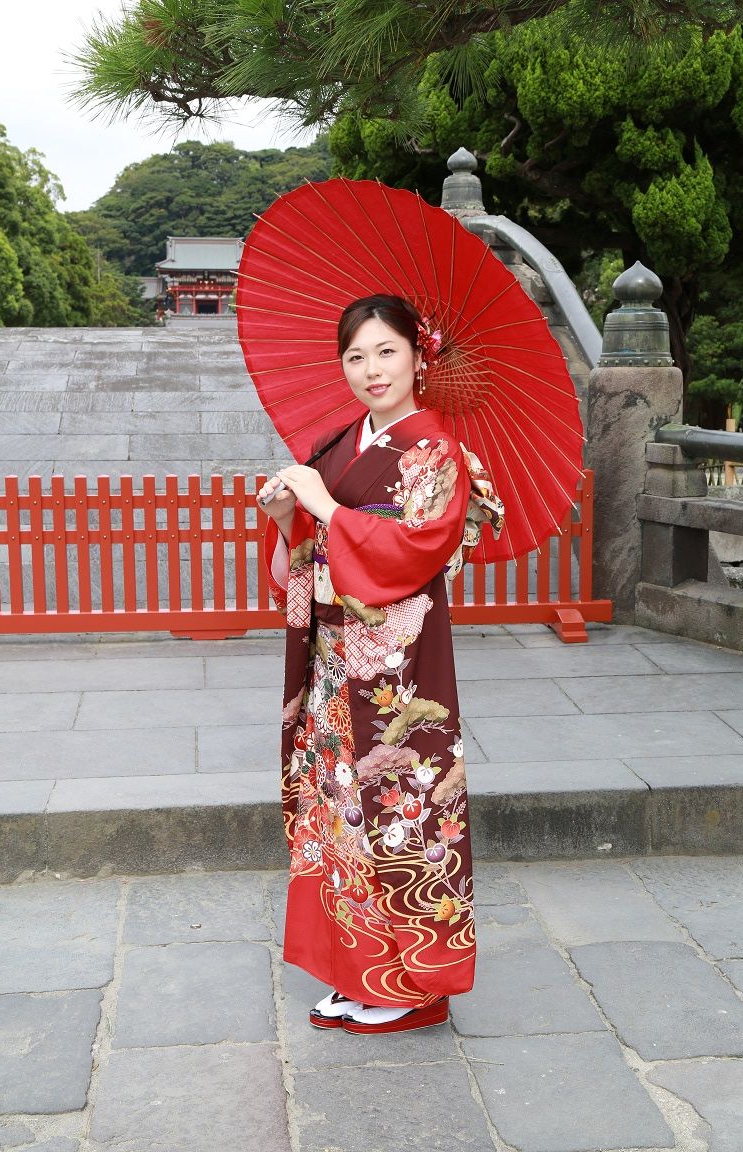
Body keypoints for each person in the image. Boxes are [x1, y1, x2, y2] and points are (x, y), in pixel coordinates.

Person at [259, 294, 499, 1036]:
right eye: (355, 356)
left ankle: (415, 984)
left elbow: (413, 552)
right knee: (341, 815)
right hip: (335, 666)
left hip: (401, 670)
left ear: (419, 357)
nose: (371, 370)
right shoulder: (341, 444)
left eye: (387, 351)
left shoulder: (439, 453)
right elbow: (302, 559)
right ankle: (358, 972)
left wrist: (327, 509)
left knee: (403, 816)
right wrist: (284, 521)